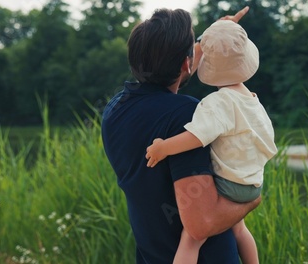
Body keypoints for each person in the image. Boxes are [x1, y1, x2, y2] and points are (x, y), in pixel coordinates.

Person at [101, 7, 261, 264]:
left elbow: (171, 72)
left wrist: (212, 39)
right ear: (186, 63)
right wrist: (251, 201)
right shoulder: (185, 116)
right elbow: (200, 224)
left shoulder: (114, 110)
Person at [145, 20, 278, 264]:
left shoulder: (218, 103)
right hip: (252, 182)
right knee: (240, 231)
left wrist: (163, 148)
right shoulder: (252, 100)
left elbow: (196, 137)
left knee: (191, 237)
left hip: (229, 184)